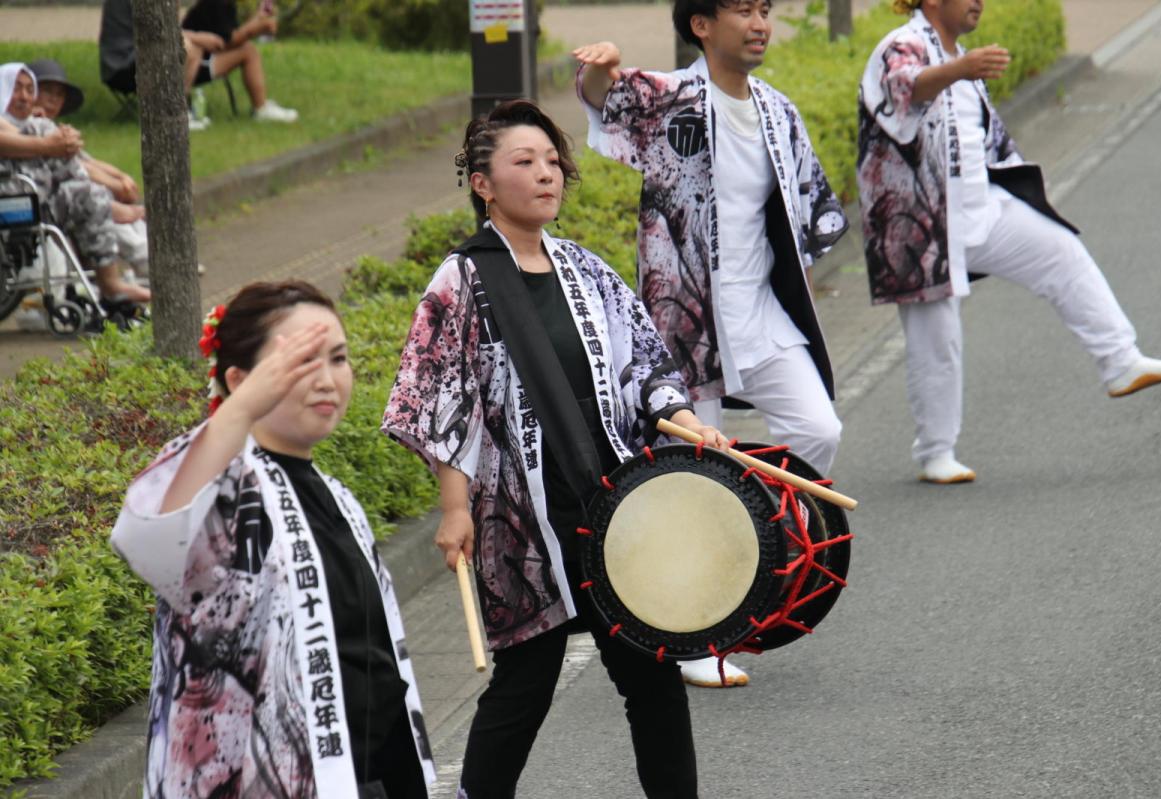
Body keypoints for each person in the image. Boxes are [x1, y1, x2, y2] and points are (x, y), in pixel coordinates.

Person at [382, 99, 726, 798]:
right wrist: (455, 508)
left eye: (552, 162)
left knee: (651, 679)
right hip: (522, 521)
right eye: (524, 162)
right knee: (524, 685)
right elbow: (443, 396)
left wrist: (687, 420)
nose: (546, 175)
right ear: (483, 183)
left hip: (611, 510)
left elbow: (647, 367)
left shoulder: (584, 269)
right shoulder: (463, 279)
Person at [574, 0, 847, 688]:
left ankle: (745, 567)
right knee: (687, 471)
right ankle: (692, 634)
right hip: (685, 319)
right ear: (701, 25)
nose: (759, 23)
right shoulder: (669, 100)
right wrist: (599, 74)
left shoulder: (779, 111)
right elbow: (606, 103)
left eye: (765, 10)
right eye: (742, 10)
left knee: (817, 430)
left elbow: (815, 204)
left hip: (760, 311)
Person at [110, 280, 435, 798]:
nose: (326, 380)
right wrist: (238, 412)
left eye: (337, 358)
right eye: (300, 363)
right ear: (240, 380)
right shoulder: (223, 489)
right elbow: (144, 536)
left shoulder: (338, 497)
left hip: (362, 775)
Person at [857, 0, 1161, 484]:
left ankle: (1120, 361)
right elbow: (903, 88)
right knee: (938, 341)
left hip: (981, 209)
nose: (978, 2)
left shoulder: (961, 57)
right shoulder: (902, 45)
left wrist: (964, 72)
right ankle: (935, 453)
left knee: (1061, 251)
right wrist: (958, 70)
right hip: (921, 227)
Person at [0, 63, 149, 304]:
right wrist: (48, 142)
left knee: (93, 195)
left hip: (36, 196)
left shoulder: (29, 124)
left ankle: (111, 283)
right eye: (16, 88)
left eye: (30, 89)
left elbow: (84, 160)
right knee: (93, 197)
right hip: (15, 202)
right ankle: (112, 282)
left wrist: (55, 139)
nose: (24, 96)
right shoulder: (25, 125)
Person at [99, 0, 298, 131]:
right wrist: (198, 37)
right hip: (124, 66)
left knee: (248, 51)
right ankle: (175, 114)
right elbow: (155, 34)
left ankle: (261, 109)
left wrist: (255, 23)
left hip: (151, 58)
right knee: (187, 47)